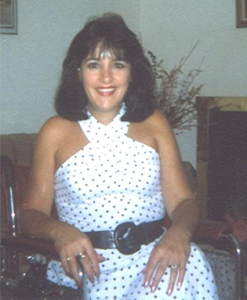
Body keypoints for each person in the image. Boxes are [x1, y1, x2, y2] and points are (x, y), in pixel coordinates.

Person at [20, 13, 219, 300]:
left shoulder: (155, 123)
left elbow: (184, 202)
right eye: (93, 65)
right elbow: (30, 214)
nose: (106, 77)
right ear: (77, 71)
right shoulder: (55, 131)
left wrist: (180, 234)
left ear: (132, 71)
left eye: (117, 64)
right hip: (88, 270)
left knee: (166, 286)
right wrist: (59, 231)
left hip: (157, 260)